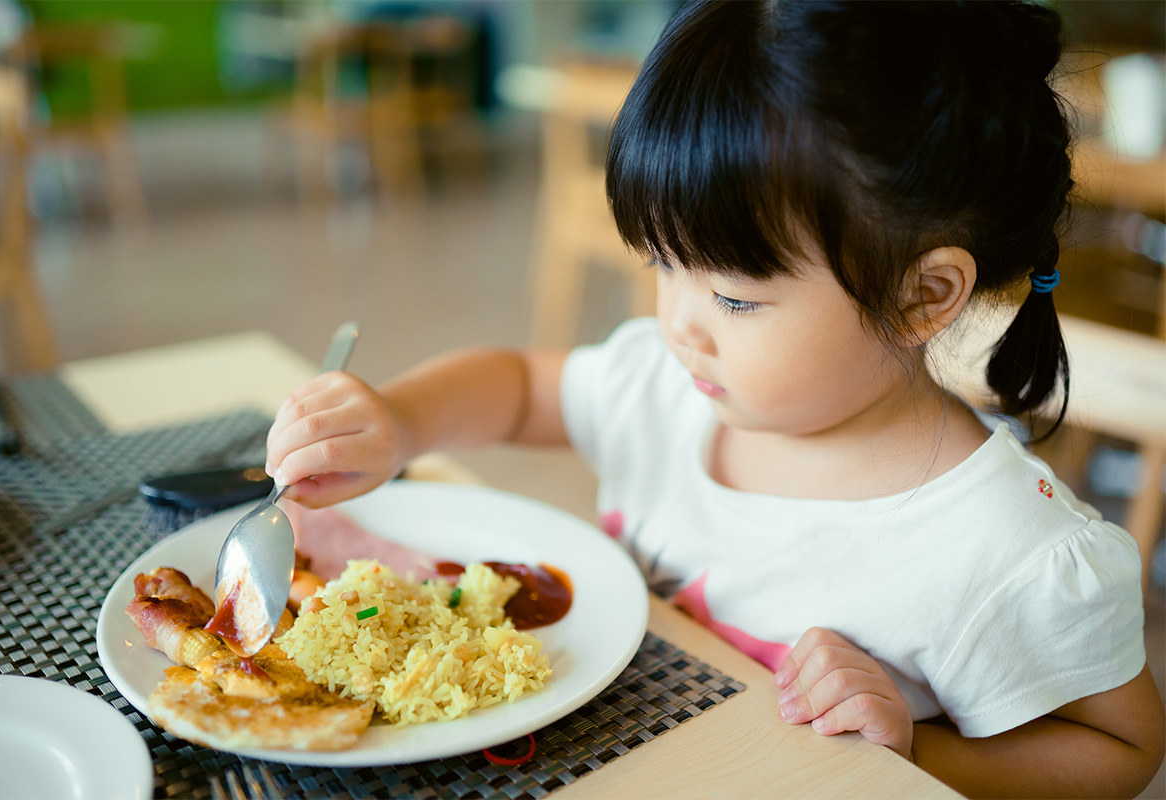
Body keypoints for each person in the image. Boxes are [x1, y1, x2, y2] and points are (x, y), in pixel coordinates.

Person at [265, 1, 1164, 795]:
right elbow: (519, 386)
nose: (682, 323)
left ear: (923, 296)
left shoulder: (1009, 551)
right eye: (662, 264)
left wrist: (918, 749)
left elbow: (1121, 750)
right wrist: (401, 422)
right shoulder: (674, 388)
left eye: (735, 297)